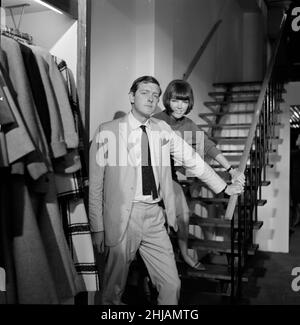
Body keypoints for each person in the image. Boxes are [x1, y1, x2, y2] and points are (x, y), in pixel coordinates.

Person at [89, 75, 244, 305]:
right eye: (144, 93)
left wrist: (223, 187)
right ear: (131, 96)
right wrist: (97, 228)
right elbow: (96, 186)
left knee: (172, 284)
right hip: (123, 217)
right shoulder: (107, 131)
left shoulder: (162, 128)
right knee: (113, 291)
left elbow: (193, 159)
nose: (151, 99)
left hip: (154, 215)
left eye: (155, 95)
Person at [154, 79, 245, 270]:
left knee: (183, 215)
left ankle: (185, 254)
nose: (180, 106)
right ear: (167, 99)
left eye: (184, 101)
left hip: (170, 178)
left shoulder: (188, 124)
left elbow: (209, 147)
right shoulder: (157, 120)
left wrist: (231, 170)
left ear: (189, 103)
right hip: (149, 178)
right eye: (175, 100)